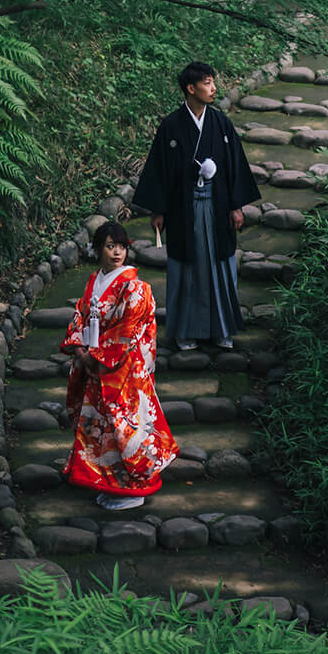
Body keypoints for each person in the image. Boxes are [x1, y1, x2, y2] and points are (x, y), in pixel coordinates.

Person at [133, 60, 258, 352]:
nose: (214, 88)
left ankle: (222, 329)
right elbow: (159, 169)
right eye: (207, 83)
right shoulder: (172, 126)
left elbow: (235, 165)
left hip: (217, 203)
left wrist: (236, 206)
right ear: (191, 88)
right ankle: (185, 331)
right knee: (186, 267)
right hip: (184, 208)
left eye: (213, 82)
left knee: (221, 265)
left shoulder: (221, 123)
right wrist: (158, 210)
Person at [60, 221, 178, 509]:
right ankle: (108, 483)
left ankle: (133, 487)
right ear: (98, 248)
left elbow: (128, 330)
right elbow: (81, 316)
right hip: (95, 363)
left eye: (122, 247)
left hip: (122, 369)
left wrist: (95, 357)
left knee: (125, 429)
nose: (117, 252)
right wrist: (79, 348)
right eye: (110, 246)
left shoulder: (135, 287)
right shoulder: (94, 282)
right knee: (102, 428)